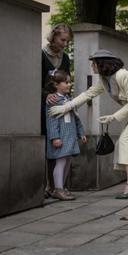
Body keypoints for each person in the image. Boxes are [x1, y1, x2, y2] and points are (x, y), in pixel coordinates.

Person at [49, 49, 128, 199]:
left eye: (94, 63)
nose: (92, 66)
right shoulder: (104, 80)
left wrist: (113, 117)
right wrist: (66, 107)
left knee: (126, 141)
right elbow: (88, 94)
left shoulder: (123, 75)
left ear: (102, 64)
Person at [41, 23, 73, 197]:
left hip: (62, 106)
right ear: (53, 37)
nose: (64, 44)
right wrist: (45, 95)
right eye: (62, 40)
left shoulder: (65, 58)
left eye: (67, 41)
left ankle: (58, 186)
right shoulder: (41, 54)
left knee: (61, 144)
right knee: (51, 142)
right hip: (46, 106)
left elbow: (66, 81)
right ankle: (48, 186)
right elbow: (36, 80)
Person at [44, 70, 86, 201]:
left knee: (67, 162)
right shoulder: (53, 100)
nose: (69, 84)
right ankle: (57, 189)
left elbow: (76, 118)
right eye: (66, 82)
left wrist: (81, 133)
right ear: (56, 85)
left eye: (69, 82)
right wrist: (54, 137)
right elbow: (51, 120)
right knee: (60, 162)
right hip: (61, 137)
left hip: (70, 136)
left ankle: (61, 186)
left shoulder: (69, 100)